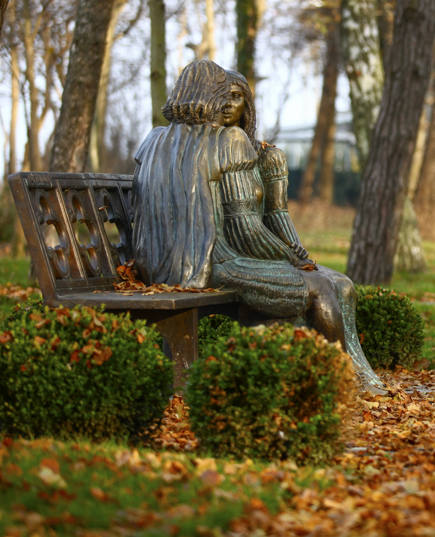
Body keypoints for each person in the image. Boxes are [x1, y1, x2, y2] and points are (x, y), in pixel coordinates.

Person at [132, 59, 385, 393]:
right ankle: (346, 384)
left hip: (156, 268)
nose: (225, 103)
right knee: (318, 288)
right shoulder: (229, 140)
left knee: (282, 303)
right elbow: (243, 229)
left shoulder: (153, 139)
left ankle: (286, 380)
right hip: (209, 264)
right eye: (220, 92)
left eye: (233, 96)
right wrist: (292, 259)